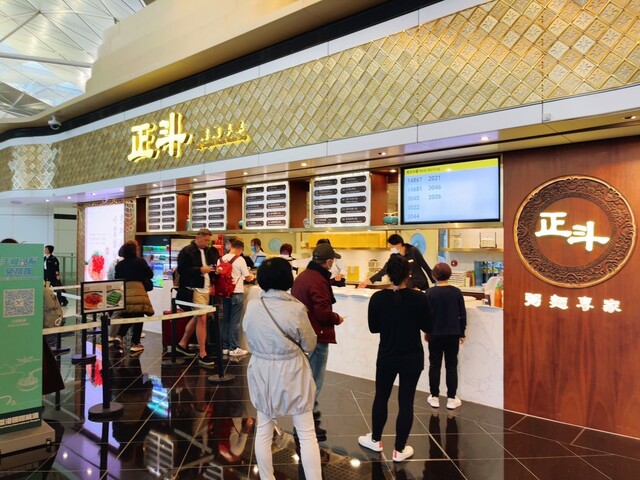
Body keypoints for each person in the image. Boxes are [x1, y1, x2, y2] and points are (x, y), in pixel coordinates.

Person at [243, 257, 322, 480]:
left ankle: (267, 477)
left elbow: (248, 333)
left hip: (261, 368)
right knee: (306, 432)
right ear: (288, 278)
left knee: (264, 428)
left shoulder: (253, 305)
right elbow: (309, 343)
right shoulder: (296, 309)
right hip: (292, 370)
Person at [358, 255, 432, 462]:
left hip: (387, 355)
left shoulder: (377, 298)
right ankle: (399, 450)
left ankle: (375, 440)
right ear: (409, 274)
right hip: (412, 357)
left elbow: (374, 328)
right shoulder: (419, 298)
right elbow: (429, 326)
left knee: (381, 396)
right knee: (406, 401)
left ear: (388, 274)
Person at [291, 242, 345, 438]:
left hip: (303, 333)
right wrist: (337, 318)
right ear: (329, 262)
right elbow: (323, 313)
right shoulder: (319, 280)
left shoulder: (303, 276)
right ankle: (305, 419)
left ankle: (304, 413)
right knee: (315, 379)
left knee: (306, 376)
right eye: (332, 261)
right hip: (317, 335)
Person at [425, 262, 466, 410]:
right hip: (453, 334)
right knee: (451, 366)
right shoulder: (456, 292)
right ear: (449, 275)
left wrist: (427, 331)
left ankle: (434, 397)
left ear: (434, 276)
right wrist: (462, 332)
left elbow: (426, 316)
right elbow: (462, 315)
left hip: (435, 334)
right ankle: (451, 398)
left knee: (434, 365)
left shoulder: (429, 293)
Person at [175, 228, 219, 367]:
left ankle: (182, 344)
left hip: (206, 289)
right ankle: (202, 353)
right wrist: (199, 270)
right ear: (197, 237)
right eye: (205, 240)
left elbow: (212, 267)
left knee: (198, 317)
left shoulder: (209, 252)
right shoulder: (187, 251)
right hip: (194, 289)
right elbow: (182, 270)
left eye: (208, 241)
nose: (206, 243)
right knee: (202, 318)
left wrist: (215, 273)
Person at [113, 240, 154, 353]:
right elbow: (150, 274)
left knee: (127, 315)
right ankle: (135, 343)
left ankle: (119, 336)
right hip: (138, 292)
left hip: (126, 292)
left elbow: (117, 279)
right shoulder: (140, 262)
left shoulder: (119, 265)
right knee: (139, 317)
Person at [358, 234, 434, 291]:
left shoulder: (413, 250)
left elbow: (425, 266)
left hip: (421, 283)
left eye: (392, 247)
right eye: (389, 247)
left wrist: (435, 282)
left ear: (399, 244)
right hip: (409, 286)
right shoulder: (394, 256)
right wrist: (367, 282)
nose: (391, 249)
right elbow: (384, 271)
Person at [219, 238, 254, 356]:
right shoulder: (240, 259)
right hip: (237, 293)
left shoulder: (220, 259)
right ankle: (234, 348)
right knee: (235, 321)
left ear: (231, 246)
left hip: (224, 293)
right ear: (240, 249)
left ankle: (225, 347)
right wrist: (252, 277)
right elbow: (247, 277)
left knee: (225, 320)